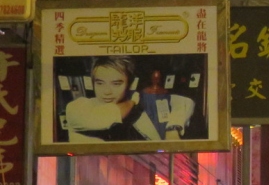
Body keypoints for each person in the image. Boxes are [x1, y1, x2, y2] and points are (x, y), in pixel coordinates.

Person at [64, 57, 193, 143]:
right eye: (100, 83)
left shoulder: (132, 102)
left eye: (116, 84)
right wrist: (132, 102)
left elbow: (183, 101)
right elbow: (110, 115)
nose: (107, 91)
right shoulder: (76, 108)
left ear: (130, 85)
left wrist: (172, 128)